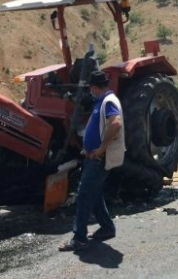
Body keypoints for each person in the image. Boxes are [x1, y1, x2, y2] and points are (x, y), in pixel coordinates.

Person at [59, 70, 125, 252]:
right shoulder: (101, 101)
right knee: (94, 194)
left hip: (99, 158)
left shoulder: (109, 101)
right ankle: (107, 228)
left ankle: (79, 238)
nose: (91, 91)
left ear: (95, 87)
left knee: (83, 195)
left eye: (91, 88)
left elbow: (116, 123)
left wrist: (102, 147)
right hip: (93, 157)